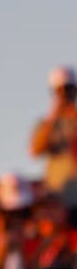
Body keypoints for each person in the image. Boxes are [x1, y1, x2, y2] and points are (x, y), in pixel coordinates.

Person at [31, 65, 77, 193]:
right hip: (56, 190)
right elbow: (35, 150)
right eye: (59, 91)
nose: (64, 95)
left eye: (68, 89)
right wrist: (54, 115)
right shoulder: (45, 124)